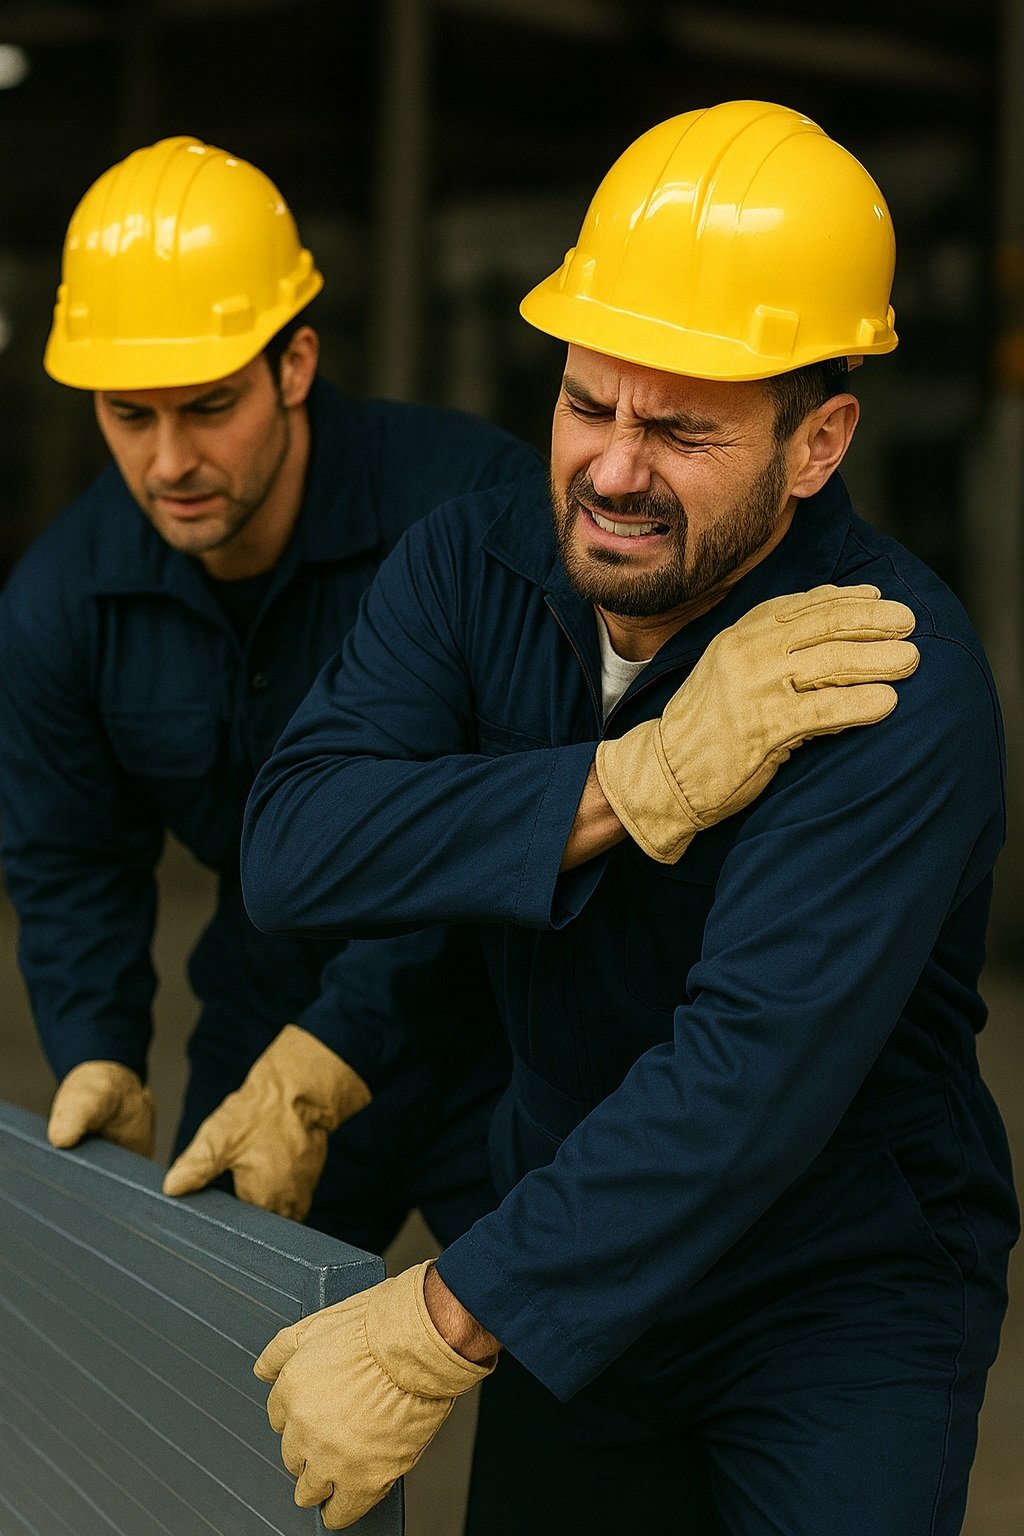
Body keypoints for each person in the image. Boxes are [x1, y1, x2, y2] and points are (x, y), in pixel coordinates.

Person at [241, 100, 1020, 1535]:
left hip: (834, 1290)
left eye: (679, 429)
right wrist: (628, 783)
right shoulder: (473, 566)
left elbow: (747, 1081)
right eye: (587, 403)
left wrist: (442, 1320)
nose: (611, 469)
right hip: (568, 1235)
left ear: (817, 442)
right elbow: (297, 846)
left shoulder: (882, 673)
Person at [0, 134, 545, 1253]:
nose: (168, 463)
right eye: (129, 415)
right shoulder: (62, 601)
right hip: (269, 1017)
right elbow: (72, 859)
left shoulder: (469, 513)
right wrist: (96, 1049)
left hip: (510, 1016)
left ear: (294, 365)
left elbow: (522, 810)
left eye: (208, 406)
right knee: (212, 1348)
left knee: (571, 1353)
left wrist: (337, 1049)